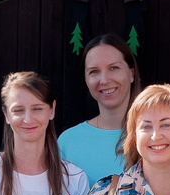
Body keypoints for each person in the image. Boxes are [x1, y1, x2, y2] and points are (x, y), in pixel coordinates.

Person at [56, 33, 137, 185]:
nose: (104, 80)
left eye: (114, 68)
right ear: (86, 79)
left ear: (131, 73)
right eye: (94, 71)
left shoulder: (155, 137)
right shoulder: (68, 142)